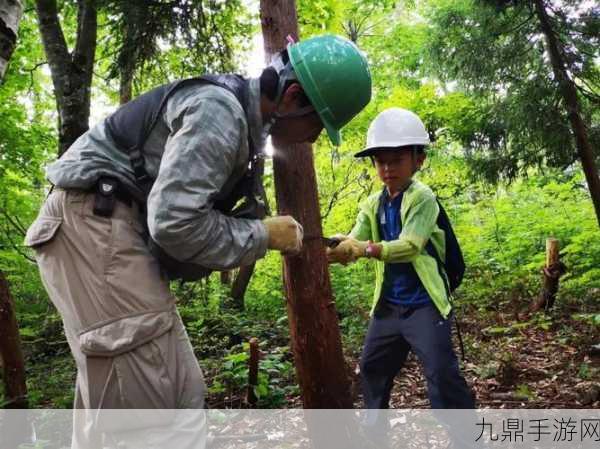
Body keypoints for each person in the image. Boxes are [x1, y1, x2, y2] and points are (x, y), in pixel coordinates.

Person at [24, 34, 371, 447]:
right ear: (293, 98)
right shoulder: (221, 112)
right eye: (317, 125)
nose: (311, 139)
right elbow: (174, 223)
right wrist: (262, 235)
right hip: (96, 226)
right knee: (155, 412)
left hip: (100, 231)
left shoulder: (233, 116)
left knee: (167, 392)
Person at [327, 108, 475, 446]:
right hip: (389, 307)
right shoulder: (372, 204)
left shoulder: (423, 198)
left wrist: (364, 249)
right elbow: (356, 238)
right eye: (381, 161)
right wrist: (335, 249)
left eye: (397, 160)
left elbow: (409, 246)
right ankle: (375, 437)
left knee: (441, 374)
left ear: (418, 160)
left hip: (424, 304)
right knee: (372, 368)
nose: (388, 168)